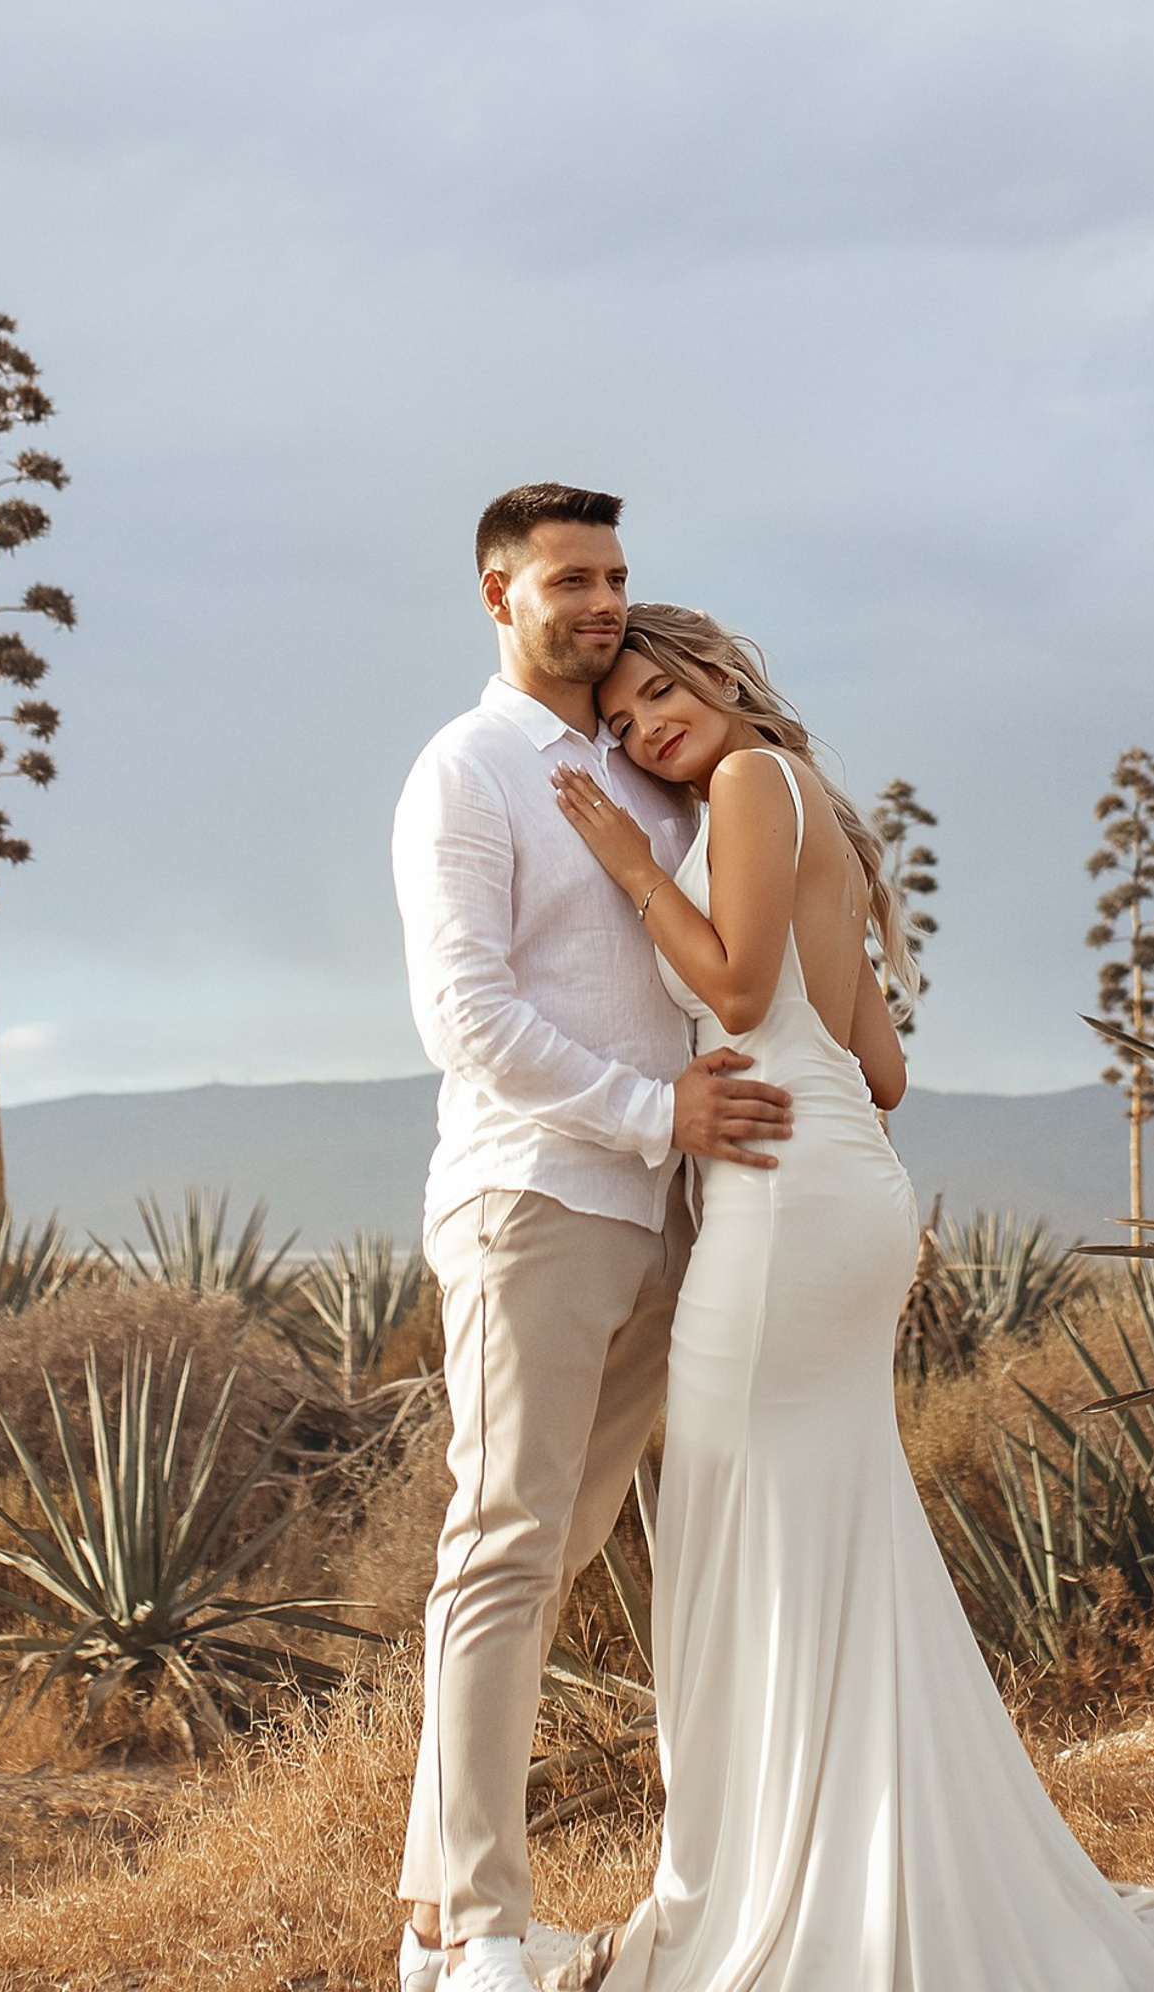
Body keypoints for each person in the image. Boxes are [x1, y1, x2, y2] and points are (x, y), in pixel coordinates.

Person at [545, 602, 1154, 1992]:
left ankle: (784, 1891)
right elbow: (882, 1070)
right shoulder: (820, 811)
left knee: (743, 1536)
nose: (643, 729)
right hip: (848, 1186)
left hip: (780, 1199)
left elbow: (741, 992)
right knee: (827, 1533)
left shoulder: (745, 784)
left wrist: (634, 867)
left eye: (653, 693)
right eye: (620, 725)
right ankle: (851, 1859)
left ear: (719, 669)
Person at [392, 489, 796, 1992]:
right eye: (571, 577)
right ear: (499, 594)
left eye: (617, 573)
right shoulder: (470, 769)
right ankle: (487, 1926)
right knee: (501, 1542)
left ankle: (437, 1926)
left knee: (552, 1553)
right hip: (536, 1200)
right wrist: (653, 1113)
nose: (603, 599)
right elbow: (467, 1016)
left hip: (670, 1216)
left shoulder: (660, 767)